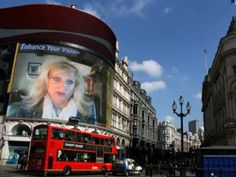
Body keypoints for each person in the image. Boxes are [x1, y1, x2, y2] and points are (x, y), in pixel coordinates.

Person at [16, 58, 96, 123]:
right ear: (46, 82)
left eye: (69, 82)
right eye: (56, 79)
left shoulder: (88, 110)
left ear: (75, 87)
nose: (63, 86)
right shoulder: (26, 106)